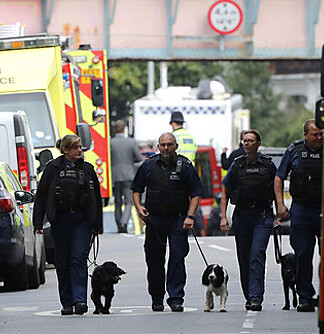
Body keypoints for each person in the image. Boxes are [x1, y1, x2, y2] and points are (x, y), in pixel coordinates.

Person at [131, 132, 203, 312]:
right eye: (163, 145)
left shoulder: (185, 166)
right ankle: (157, 297)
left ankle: (176, 298)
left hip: (178, 219)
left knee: (177, 258)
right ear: (158, 146)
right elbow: (136, 189)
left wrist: (190, 216)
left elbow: (195, 194)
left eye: (169, 145)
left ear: (175, 146)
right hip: (154, 220)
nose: (166, 148)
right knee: (154, 260)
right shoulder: (148, 165)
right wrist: (139, 208)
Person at [33, 134, 103, 316]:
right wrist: (38, 222)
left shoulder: (87, 169)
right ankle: (67, 302)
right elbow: (41, 196)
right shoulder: (53, 169)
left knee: (78, 259)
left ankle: (80, 300)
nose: (80, 150)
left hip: (82, 221)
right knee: (62, 262)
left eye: (80, 147)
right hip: (60, 221)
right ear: (65, 150)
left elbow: (96, 197)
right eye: (75, 147)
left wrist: (97, 224)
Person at [220, 129, 277, 312]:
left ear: (258, 143)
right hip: (242, 215)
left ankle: (255, 297)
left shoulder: (268, 165)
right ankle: (249, 294)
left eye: (251, 141)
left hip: (262, 215)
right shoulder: (237, 165)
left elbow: (277, 188)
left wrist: (279, 212)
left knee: (257, 255)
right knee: (244, 257)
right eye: (245, 141)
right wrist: (223, 217)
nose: (247, 144)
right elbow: (225, 192)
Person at [274, 119, 323, 313]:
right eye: (315, 135)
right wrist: (280, 204)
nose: (319, 138)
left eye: (321, 134)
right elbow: (279, 177)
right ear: (305, 135)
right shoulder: (294, 150)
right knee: (303, 255)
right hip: (302, 209)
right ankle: (305, 297)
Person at [110, 119, 143, 233]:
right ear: (124, 129)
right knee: (129, 202)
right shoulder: (130, 142)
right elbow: (139, 157)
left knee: (117, 202)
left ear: (115, 130)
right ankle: (124, 223)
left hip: (115, 176)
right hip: (129, 175)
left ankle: (119, 224)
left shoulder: (110, 143)